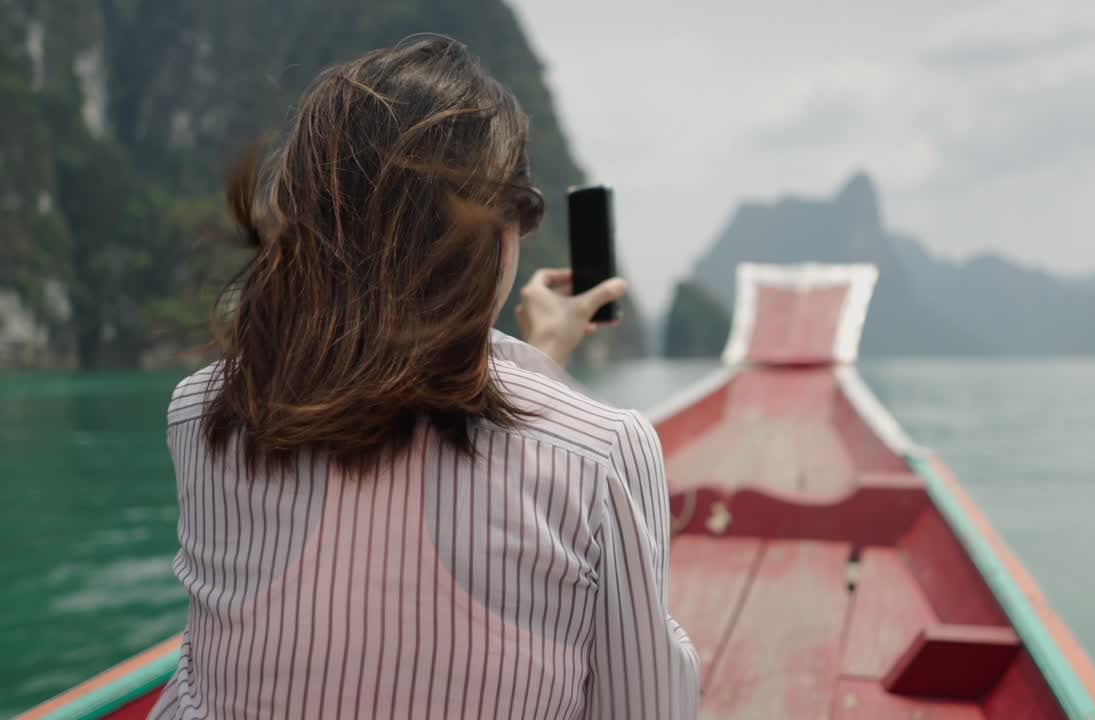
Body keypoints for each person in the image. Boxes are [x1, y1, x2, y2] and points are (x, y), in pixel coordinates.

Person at [148, 36, 699, 720]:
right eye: (522, 210)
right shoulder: (605, 451)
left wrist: (538, 360)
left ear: (302, 219)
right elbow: (641, 708)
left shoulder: (201, 412)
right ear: (495, 233)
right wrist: (540, 368)